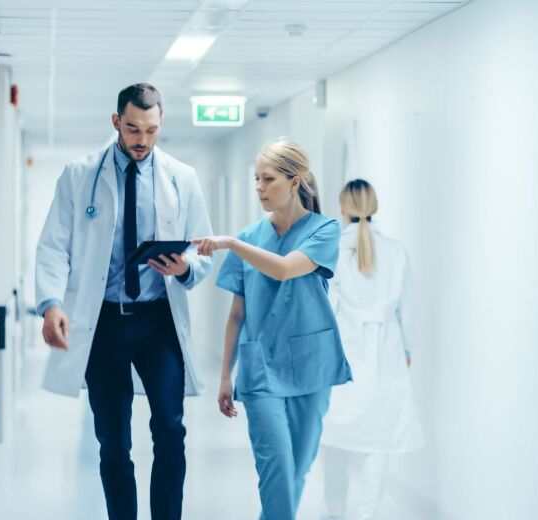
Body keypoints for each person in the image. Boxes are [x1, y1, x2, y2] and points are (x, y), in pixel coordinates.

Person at [35, 83, 213, 520]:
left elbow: (202, 249)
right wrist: (52, 302)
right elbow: (54, 246)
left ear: (160, 124)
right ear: (116, 122)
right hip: (104, 324)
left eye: (151, 130)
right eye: (133, 129)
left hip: (158, 322)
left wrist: (185, 268)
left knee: (170, 429)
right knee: (113, 442)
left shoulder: (181, 178)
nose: (142, 140)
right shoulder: (80, 176)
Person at [193, 140, 352, 520]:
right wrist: (224, 377)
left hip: (312, 366)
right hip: (261, 366)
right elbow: (236, 315)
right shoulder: (249, 238)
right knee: (276, 470)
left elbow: (283, 268)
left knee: (297, 470)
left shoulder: (325, 229)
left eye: (268, 179)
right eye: (256, 180)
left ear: (295, 182)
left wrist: (230, 243)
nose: (260, 188)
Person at [319, 179, 425, 520]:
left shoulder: (332, 248)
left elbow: (325, 308)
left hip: (344, 353)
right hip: (387, 351)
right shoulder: (396, 251)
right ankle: (366, 513)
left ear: (343, 207)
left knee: (335, 434)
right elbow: (406, 310)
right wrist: (406, 351)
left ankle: (335, 511)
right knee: (380, 438)